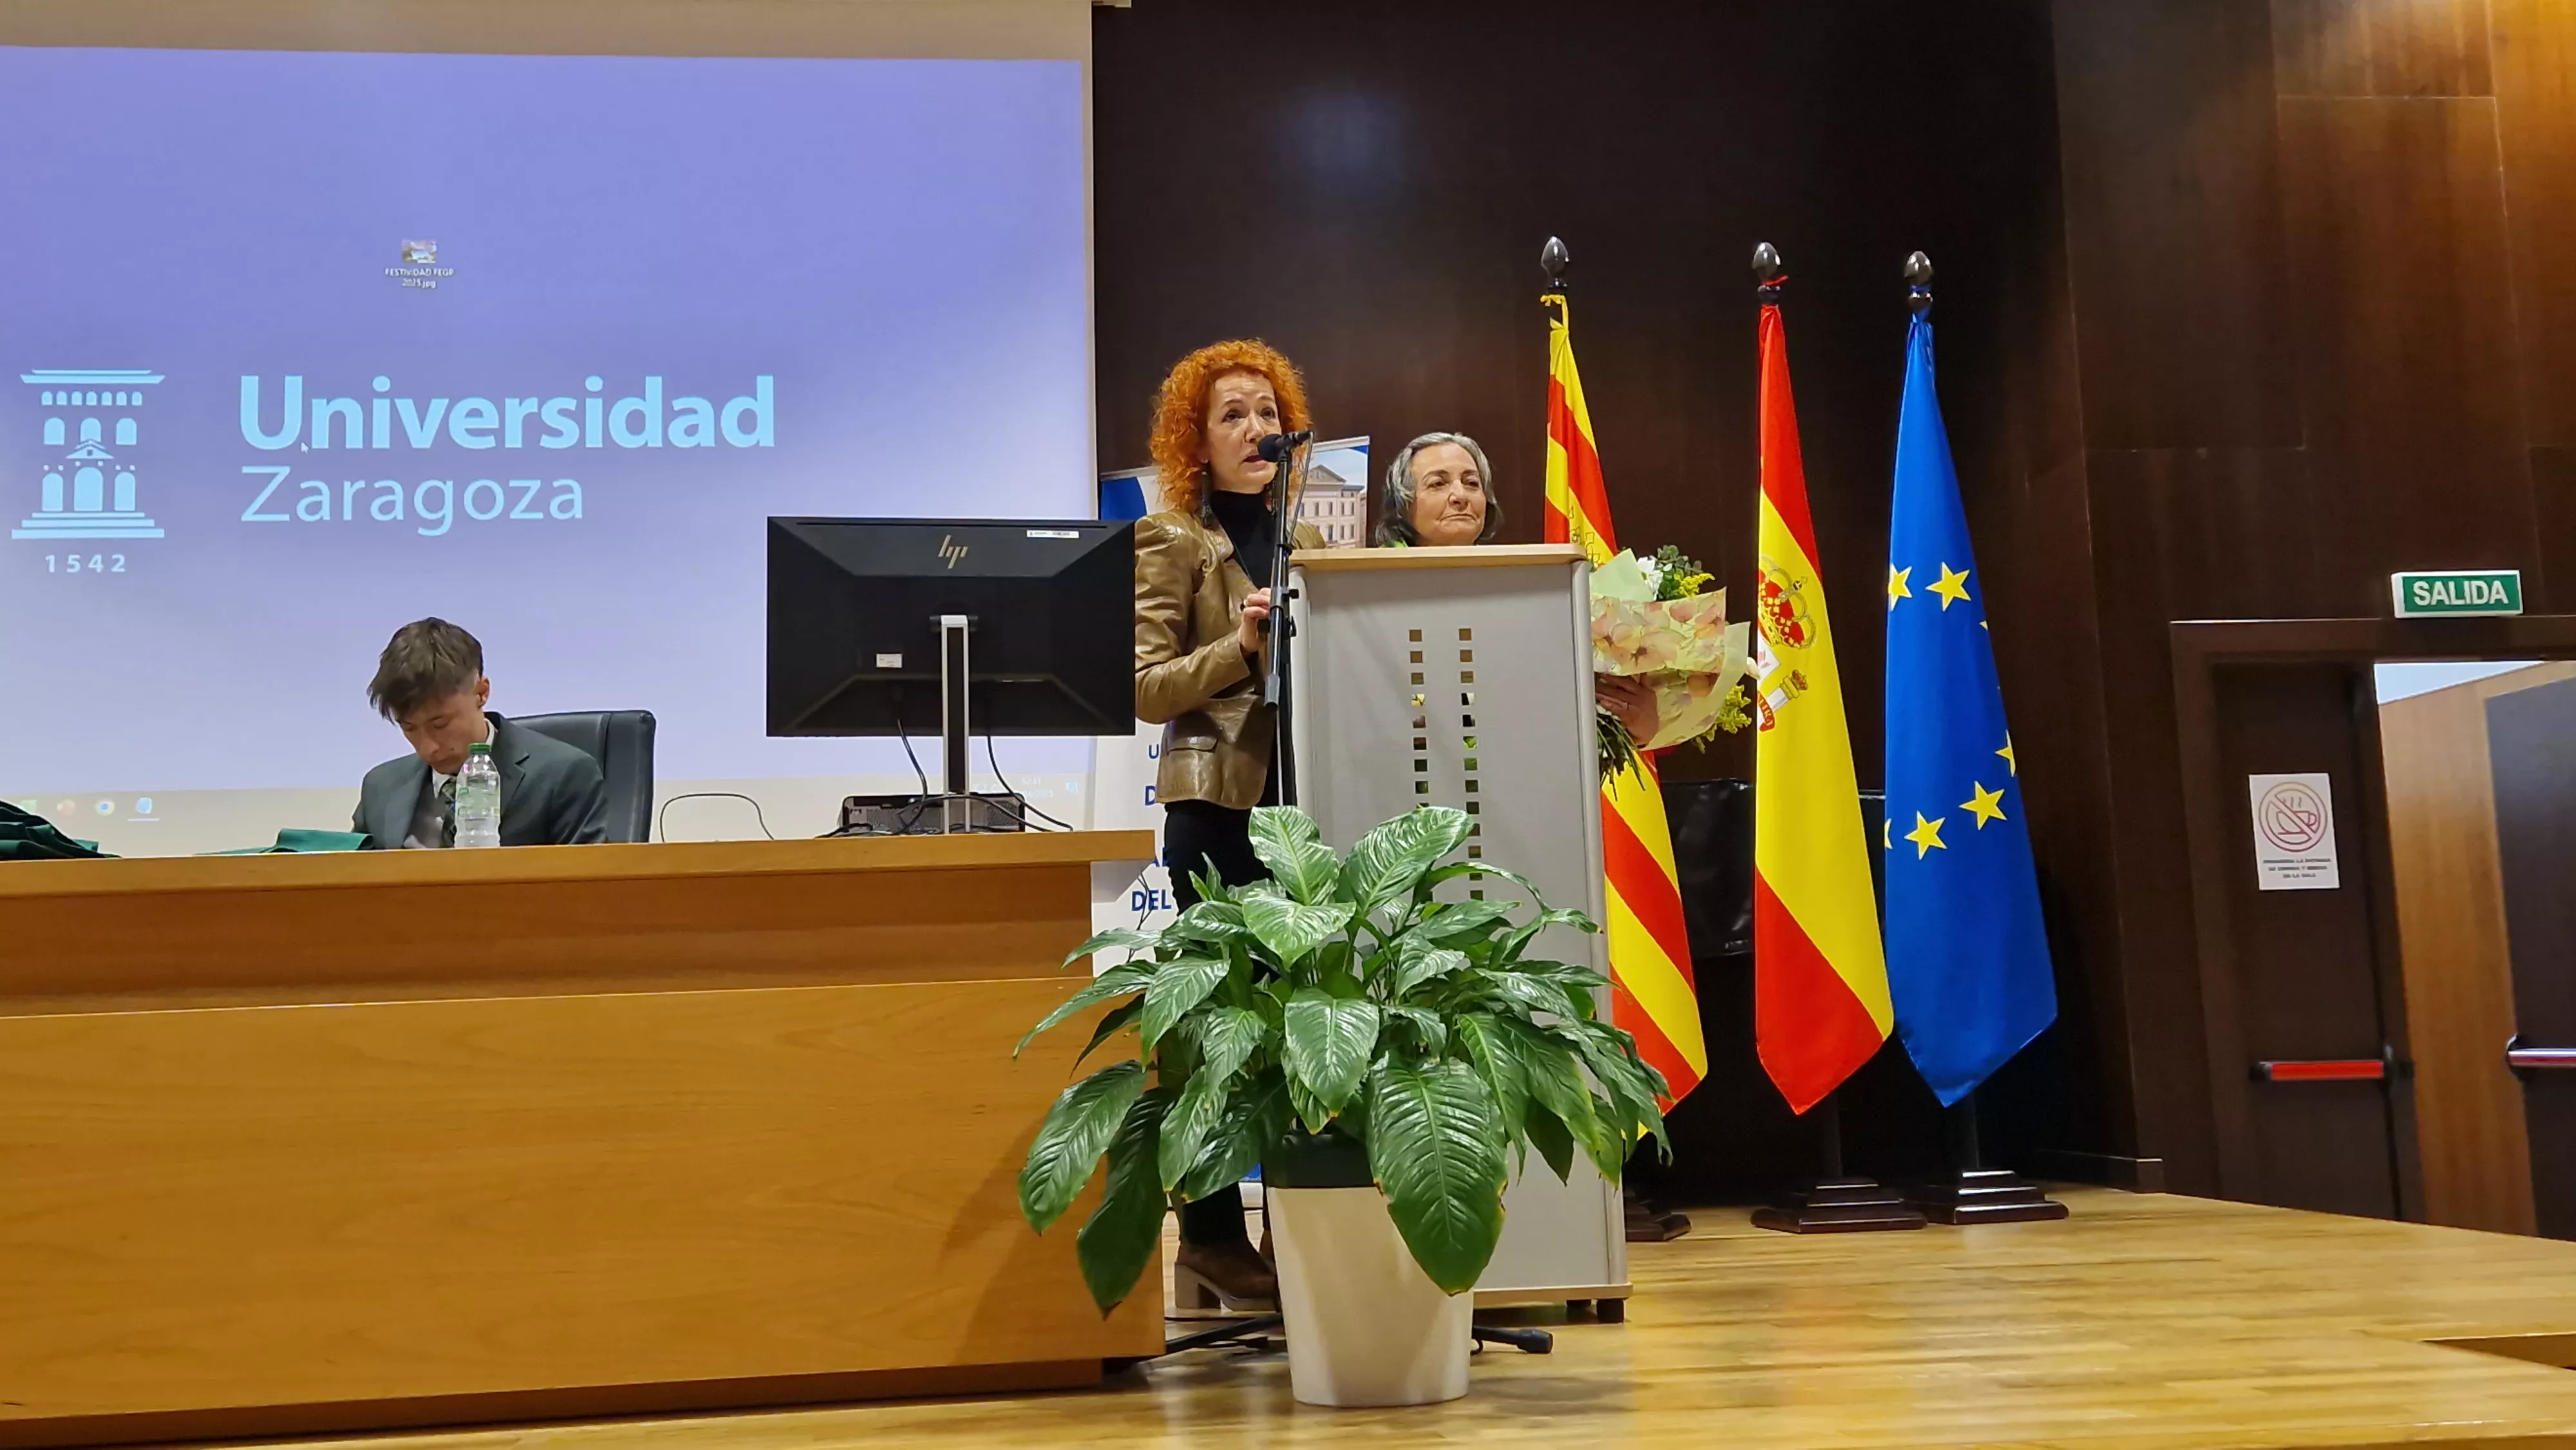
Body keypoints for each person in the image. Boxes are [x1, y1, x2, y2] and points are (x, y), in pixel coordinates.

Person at [1133, 339, 1325, 1310]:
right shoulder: (1172, 537)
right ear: (1195, 442)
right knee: (1219, 1034)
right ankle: (1210, 1236)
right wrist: (1239, 645)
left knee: (1304, 1031)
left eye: (1267, 412)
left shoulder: (1309, 541)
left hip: (1306, 810)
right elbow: (1143, 687)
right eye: (1232, 415)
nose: (1257, 430)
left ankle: (1305, 1232)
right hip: (1215, 810)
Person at [1370, 430, 1660, 743]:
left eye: (1472, 483)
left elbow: (1554, 709)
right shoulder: (1371, 592)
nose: (1460, 496)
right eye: (1438, 484)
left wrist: (1638, 728)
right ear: (1403, 504)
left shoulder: (1530, 590)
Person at [352, 618, 611, 850]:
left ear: (481, 693)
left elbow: (587, 883)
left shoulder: (564, 776)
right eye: (409, 728)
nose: (428, 748)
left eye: (440, 724)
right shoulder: (381, 787)